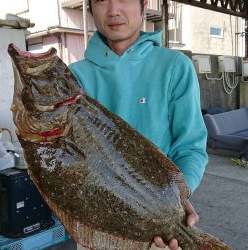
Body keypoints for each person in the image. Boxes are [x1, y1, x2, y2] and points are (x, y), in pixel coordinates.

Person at [69, 0, 208, 249]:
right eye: (101, 0)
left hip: (159, 233)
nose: (113, 10)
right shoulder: (74, 76)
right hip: (97, 224)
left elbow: (190, 147)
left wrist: (178, 199)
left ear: (144, 5)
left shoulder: (175, 66)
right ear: (90, 9)